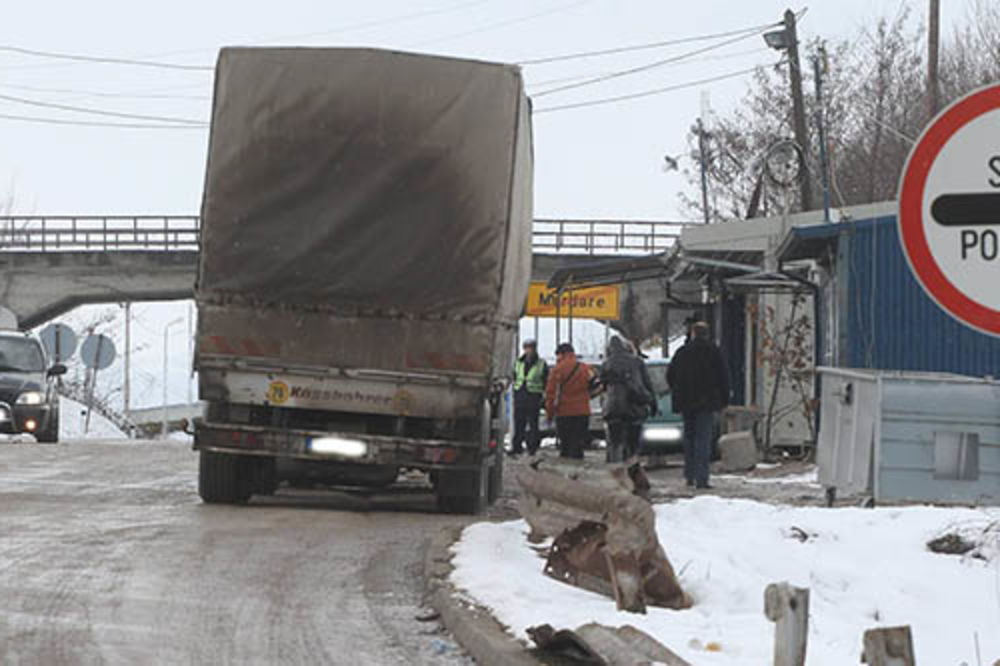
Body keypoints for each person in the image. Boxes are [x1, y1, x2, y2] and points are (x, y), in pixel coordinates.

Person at [667, 321, 729, 489]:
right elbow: (723, 376)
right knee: (704, 439)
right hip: (707, 402)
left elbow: (671, 375)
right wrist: (723, 399)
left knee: (689, 438)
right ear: (707, 334)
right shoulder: (714, 352)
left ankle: (689, 475)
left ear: (693, 333)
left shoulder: (682, 352)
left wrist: (679, 392)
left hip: (687, 402)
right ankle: (702, 478)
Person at [600, 336, 657, 462]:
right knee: (633, 444)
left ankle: (616, 470)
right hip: (634, 408)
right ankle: (632, 468)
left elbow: (603, 388)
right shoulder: (637, 362)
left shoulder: (606, 364)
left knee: (615, 443)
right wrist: (653, 403)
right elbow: (647, 384)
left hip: (613, 410)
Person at [544, 342, 592, 460]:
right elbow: (596, 385)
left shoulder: (557, 370)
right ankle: (578, 471)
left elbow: (551, 394)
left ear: (562, 354)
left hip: (564, 413)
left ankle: (566, 474)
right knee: (578, 445)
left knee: (566, 446)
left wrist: (549, 414)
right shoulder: (585, 368)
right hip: (583, 412)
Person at [510, 339, 548, 457]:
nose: (528, 350)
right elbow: (514, 376)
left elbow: (546, 380)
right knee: (519, 423)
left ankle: (532, 448)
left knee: (533, 424)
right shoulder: (518, 362)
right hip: (520, 395)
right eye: (526, 348)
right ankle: (517, 447)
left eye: (531, 348)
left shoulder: (541, 363)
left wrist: (544, 396)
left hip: (533, 397)